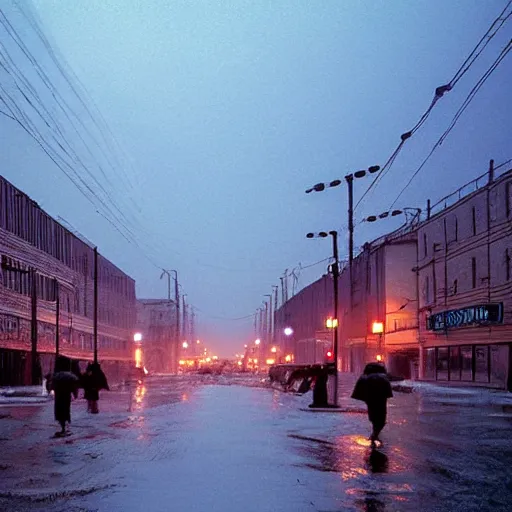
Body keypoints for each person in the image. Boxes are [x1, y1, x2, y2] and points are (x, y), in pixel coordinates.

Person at [352, 362, 393, 448]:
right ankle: (375, 435)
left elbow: (360, 391)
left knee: (374, 417)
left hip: (370, 399)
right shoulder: (382, 377)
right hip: (380, 400)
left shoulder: (365, 377)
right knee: (381, 419)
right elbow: (387, 391)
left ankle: (374, 434)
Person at [52, 355, 80, 437]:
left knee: (59, 411)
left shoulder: (56, 376)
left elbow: (53, 386)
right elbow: (74, 387)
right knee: (66, 411)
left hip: (59, 396)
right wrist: (75, 394)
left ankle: (62, 428)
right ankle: (65, 428)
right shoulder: (71, 376)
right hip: (66, 396)